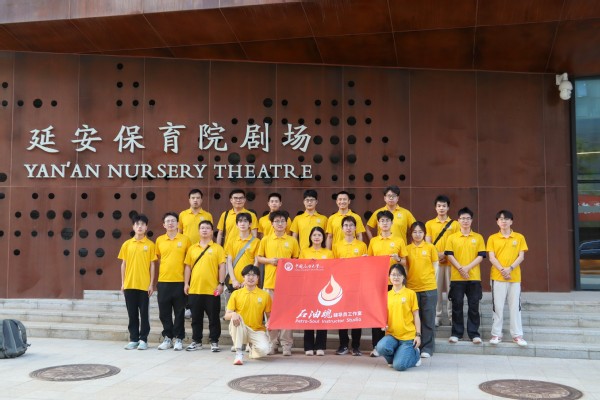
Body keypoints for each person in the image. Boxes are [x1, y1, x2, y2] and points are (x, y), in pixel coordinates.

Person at [256, 210, 300, 356]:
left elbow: (297, 259)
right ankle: (272, 344)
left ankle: (286, 345)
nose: (280, 224)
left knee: (287, 315)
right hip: (270, 283)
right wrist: (271, 261)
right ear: (272, 224)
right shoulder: (265, 240)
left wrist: (287, 262)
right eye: (277, 221)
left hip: (288, 285)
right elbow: (259, 258)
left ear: (287, 223)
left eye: (282, 221)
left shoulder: (292, 241)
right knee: (271, 316)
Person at [367, 210, 407, 357]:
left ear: (392, 223)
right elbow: (370, 261)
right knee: (377, 313)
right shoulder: (373, 241)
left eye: (387, 221)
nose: (384, 223)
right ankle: (377, 346)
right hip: (378, 282)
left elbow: (405, 261)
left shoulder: (399, 241)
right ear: (378, 223)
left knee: (393, 313)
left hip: (394, 283)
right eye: (382, 221)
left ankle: (393, 345)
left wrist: (398, 259)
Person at [444, 207, 486, 344]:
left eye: (468, 218)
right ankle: (457, 333)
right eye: (462, 218)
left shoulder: (478, 237)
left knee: (474, 306)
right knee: (457, 305)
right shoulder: (452, 237)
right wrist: (460, 268)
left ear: (472, 220)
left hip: (474, 277)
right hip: (457, 277)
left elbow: (481, 255)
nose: (465, 221)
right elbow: (449, 255)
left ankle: (474, 334)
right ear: (458, 220)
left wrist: (467, 268)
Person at [487, 210, 529, 347]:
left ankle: (517, 335)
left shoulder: (519, 237)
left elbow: (521, 256)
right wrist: (502, 270)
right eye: (500, 219)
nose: (503, 221)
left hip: (514, 277)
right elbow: (491, 257)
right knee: (497, 307)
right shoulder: (492, 238)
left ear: (511, 221)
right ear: (497, 222)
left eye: (506, 219)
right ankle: (496, 334)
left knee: (515, 307)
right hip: (497, 277)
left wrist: (509, 269)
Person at [183, 220, 226, 352]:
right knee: (196, 318)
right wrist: (186, 283)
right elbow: (188, 267)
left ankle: (214, 341)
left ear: (212, 231)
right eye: (202, 228)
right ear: (199, 231)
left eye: (207, 228)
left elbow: (222, 267)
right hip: (195, 289)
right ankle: (197, 341)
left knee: (214, 317)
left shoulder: (218, 248)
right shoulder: (192, 248)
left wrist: (221, 283)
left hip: (212, 289)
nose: (205, 230)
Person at [118, 214, 156, 350]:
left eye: (142, 224)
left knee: (144, 314)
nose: (139, 227)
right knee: (132, 313)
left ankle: (143, 339)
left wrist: (151, 284)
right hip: (129, 285)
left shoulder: (150, 245)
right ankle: (133, 339)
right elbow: (123, 264)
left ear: (146, 227)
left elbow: (152, 265)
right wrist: (123, 283)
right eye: (137, 224)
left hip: (144, 286)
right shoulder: (127, 244)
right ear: (133, 227)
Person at [155, 212, 191, 351]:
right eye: (168, 221)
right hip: (163, 281)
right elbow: (159, 259)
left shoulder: (185, 239)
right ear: (163, 225)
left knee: (179, 312)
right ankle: (167, 338)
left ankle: (179, 338)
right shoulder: (159, 240)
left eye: (173, 221)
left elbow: (188, 262)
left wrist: (187, 282)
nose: (170, 223)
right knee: (164, 312)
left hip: (179, 281)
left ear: (177, 223)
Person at [376, 264, 422, 371]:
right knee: (381, 347)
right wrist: (383, 324)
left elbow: (416, 315)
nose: (396, 277)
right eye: (393, 274)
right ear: (389, 277)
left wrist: (418, 335)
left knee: (399, 366)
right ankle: (397, 357)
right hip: (392, 335)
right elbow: (384, 315)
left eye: (399, 274)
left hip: (408, 337)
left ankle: (415, 355)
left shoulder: (411, 294)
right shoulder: (386, 295)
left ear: (403, 277)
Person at [332, 215, 367, 356]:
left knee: (356, 315)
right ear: (342, 228)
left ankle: (356, 346)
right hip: (341, 286)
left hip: (357, 285)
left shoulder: (362, 246)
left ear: (355, 228)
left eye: (351, 225)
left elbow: (366, 266)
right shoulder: (336, 246)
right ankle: (343, 345)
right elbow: (333, 266)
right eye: (346, 225)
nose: (348, 228)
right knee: (342, 315)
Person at [224, 265, 272, 365]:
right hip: (241, 328)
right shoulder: (236, 294)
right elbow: (226, 315)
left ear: (258, 278)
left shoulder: (265, 295)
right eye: (248, 275)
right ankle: (238, 353)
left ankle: (251, 349)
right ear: (243, 277)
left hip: (257, 330)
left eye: (254, 275)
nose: (251, 278)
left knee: (265, 350)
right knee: (235, 318)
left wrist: (270, 323)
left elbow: (269, 315)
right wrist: (233, 314)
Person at [405, 221, 438, 358]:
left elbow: (435, 265)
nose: (417, 234)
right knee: (413, 319)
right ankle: (415, 347)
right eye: (414, 232)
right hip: (412, 288)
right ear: (411, 234)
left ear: (424, 233)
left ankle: (427, 348)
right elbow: (405, 267)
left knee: (428, 319)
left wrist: (431, 280)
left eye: (420, 232)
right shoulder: (407, 248)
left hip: (429, 288)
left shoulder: (430, 247)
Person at [178, 189, 213, 319]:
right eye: (193, 198)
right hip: (187, 251)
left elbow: (210, 233)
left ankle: (201, 307)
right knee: (187, 279)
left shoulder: (207, 215)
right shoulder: (183, 215)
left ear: (201, 200)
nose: (195, 200)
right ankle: (188, 307)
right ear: (189, 200)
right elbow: (179, 233)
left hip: (203, 251)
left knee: (200, 277)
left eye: (198, 198)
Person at [425, 195, 459, 327]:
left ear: (448, 207)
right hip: (436, 262)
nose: (441, 208)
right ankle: (437, 316)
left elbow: (457, 242)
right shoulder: (429, 224)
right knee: (436, 290)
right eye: (439, 206)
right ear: (435, 207)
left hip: (451, 262)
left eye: (444, 206)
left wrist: (445, 253)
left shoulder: (455, 224)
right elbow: (428, 242)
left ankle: (451, 316)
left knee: (452, 290)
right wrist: (437, 254)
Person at [299, 226, 333, 356]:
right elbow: (299, 269)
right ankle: (308, 346)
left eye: (319, 235)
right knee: (308, 316)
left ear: (323, 238)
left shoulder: (328, 253)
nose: (317, 237)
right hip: (308, 288)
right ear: (310, 237)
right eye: (314, 235)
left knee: (322, 317)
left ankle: (320, 346)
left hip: (324, 289)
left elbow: (333, 269)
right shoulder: (305, 252)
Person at [225, 213, 260, 292]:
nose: (242, 223)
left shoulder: (256, 242)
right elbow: (229, 261)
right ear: (237, 225)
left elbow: (257, 262)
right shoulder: (232, 241)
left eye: (245, 221)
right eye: (240, 221)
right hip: (234, 282)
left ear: (250, 224)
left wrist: (247, 280)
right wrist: (233, 280)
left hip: (251, 282)